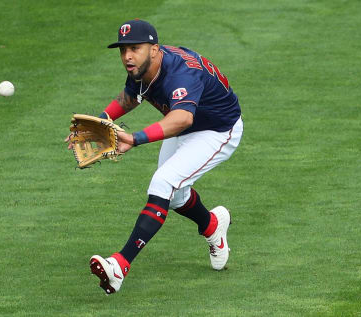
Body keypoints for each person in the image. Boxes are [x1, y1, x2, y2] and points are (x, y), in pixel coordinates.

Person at [74, 19, 243, 295]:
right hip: (184, 125)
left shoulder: (180, 74)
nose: (127, 56)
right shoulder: (143, 66)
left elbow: (183, 118)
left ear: (154, 49)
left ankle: (119, 265)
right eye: (123, 50)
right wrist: (100, 122)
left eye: (135, 48)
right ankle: (212, 225)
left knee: (163, 183)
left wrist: (136, 138)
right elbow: (132, 94)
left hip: (217, 129)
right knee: (173, 195)